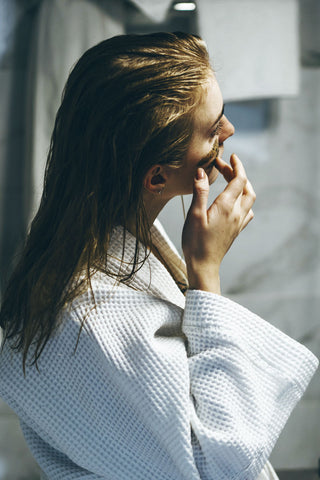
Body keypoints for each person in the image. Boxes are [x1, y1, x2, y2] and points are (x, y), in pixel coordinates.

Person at [0, 32, 318, 480]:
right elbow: (219, 468)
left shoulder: (105, 238)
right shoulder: (91, 315)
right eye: (213, 129)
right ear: (156, 178)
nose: (228, 132)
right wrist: (206, 272)